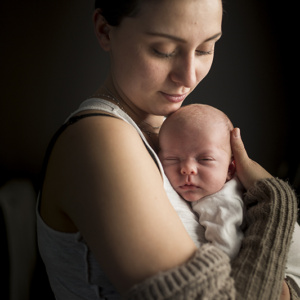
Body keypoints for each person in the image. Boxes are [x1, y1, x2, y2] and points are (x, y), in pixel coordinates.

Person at [36, 0, 299, 299]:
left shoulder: (184, 136)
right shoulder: (98, 139)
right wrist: (276, 203)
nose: (188, 77)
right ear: (104, 30)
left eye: (205, 49)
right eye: (164, 49)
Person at [159, 103, 300, 285]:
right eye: (172, 159)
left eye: (205, 159)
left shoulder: (221, 201)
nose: (187, 169)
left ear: (230, 169)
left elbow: (227, 252)